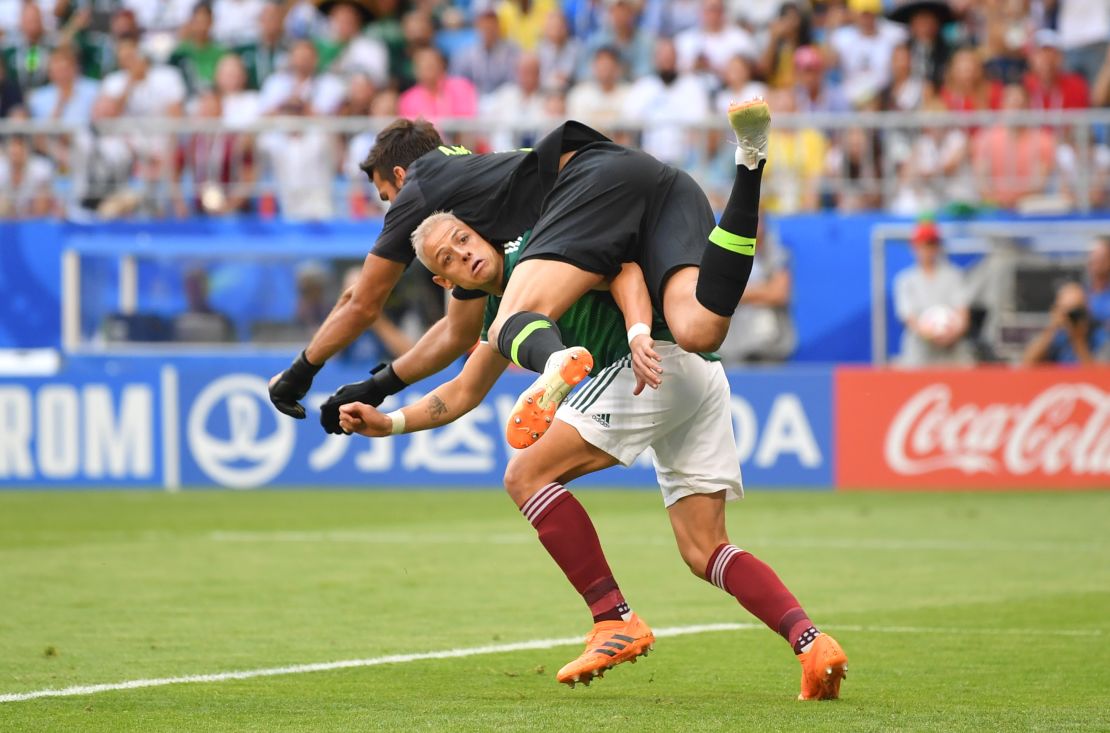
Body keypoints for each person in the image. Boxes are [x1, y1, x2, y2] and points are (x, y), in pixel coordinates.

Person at [335, 210, 849, 699]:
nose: (462, 255)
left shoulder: (535, 256)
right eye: (446, 259)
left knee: (526, 476)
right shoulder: (502, 314)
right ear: (446, 284)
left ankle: (613, 619)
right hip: (697, 372)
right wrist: (391, 422)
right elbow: (463, 392)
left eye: (464, 239)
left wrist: (638, 332)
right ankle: (812, 645)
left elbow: (621, 267)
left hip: (649, 361)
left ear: (482, 235)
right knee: (704, 549)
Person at [893, 219, 974, 367]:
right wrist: (931, 333)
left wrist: (951, 333)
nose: (927, 250)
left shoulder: (954, 275)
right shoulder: (905, 280)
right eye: (922, 245)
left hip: (952, 350)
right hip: (919, 353)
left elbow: (963, 312)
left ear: (937, 247)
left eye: (931, 245)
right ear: (914, 247)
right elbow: (908, 318)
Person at [1022, 281, 1107, 365]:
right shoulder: (1054, 335)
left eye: (1077, 310)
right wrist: (1052, 329)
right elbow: (1027, 364)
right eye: (1067, 311)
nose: (1072, 317)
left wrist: (1078, 341)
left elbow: (1097, 374)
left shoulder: (1098, 334)